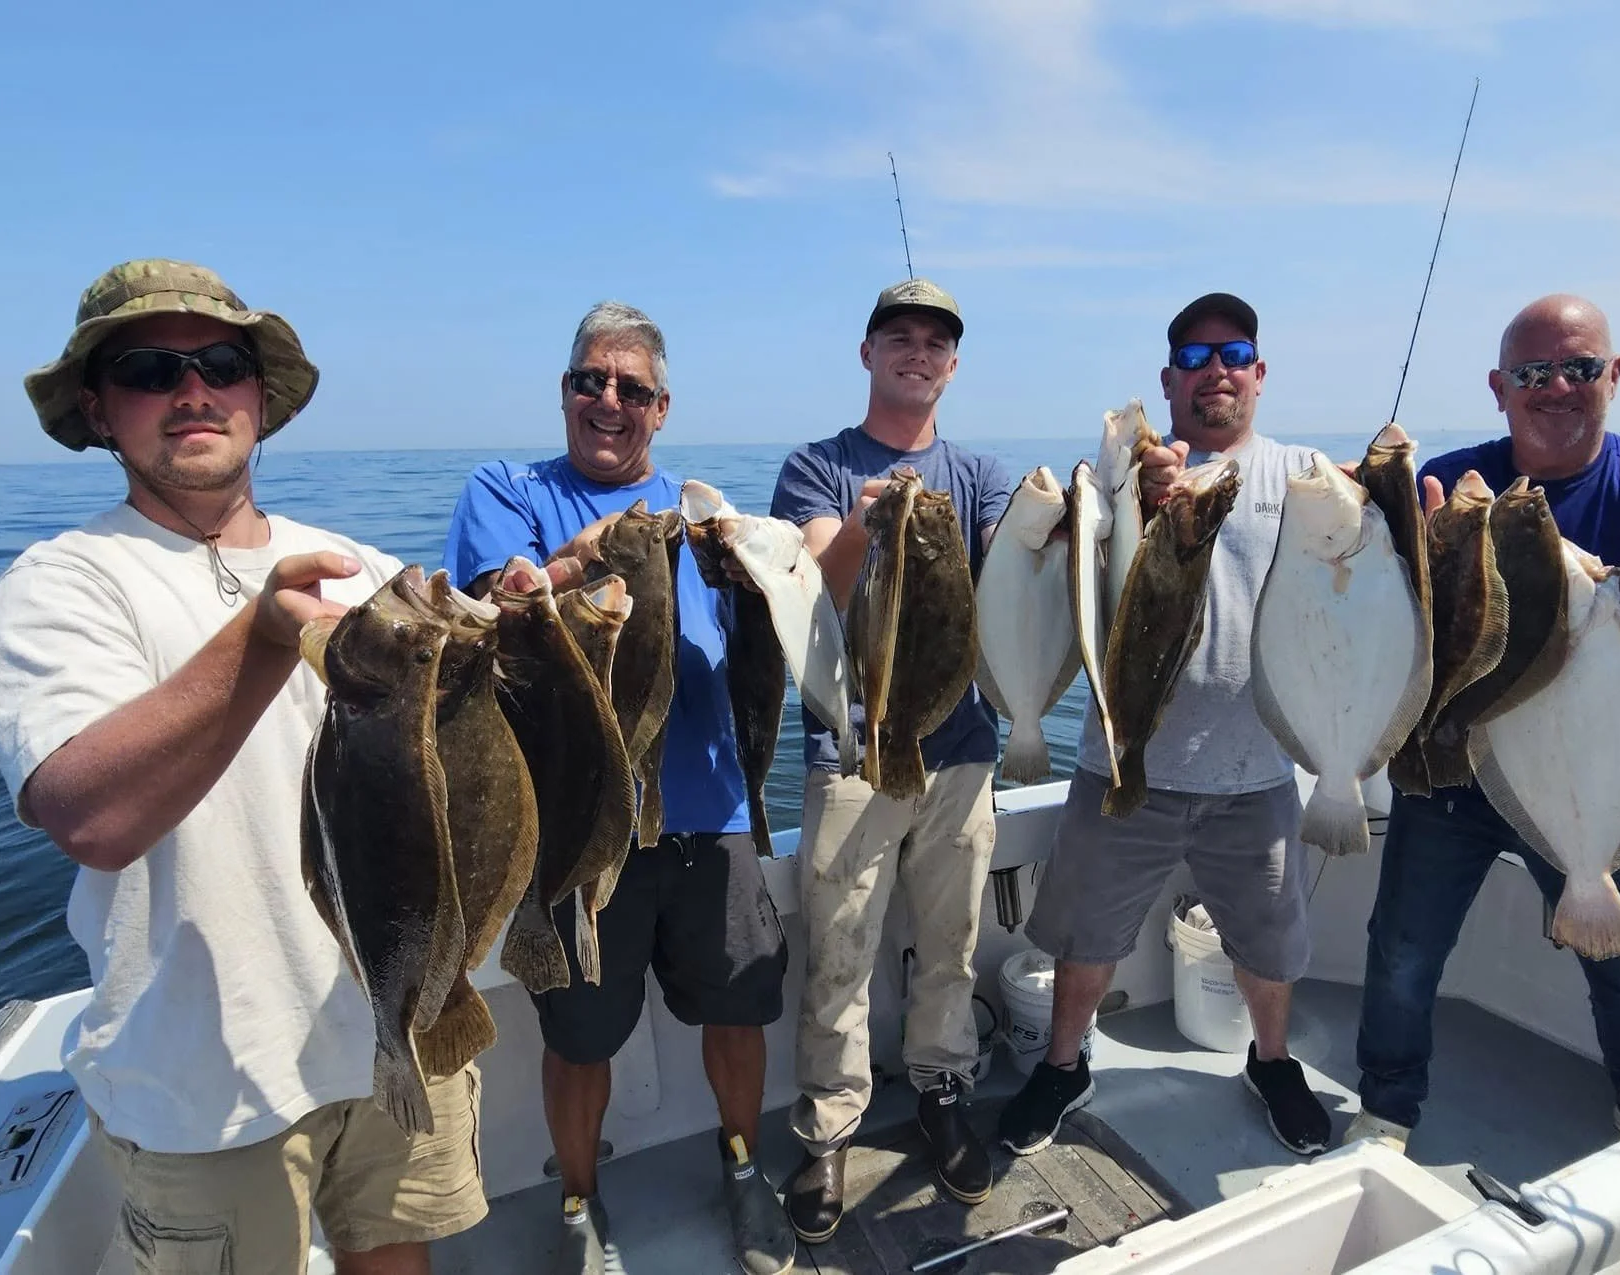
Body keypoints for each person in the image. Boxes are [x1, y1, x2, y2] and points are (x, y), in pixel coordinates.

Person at [0, 259, 485, 1275]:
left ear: (258, 393)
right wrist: (261, 640)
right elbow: (92, 819)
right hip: (201, 1083)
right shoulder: (63, 585)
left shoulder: (362, 569)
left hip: (393, 1017)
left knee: (399, 1257)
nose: (193, 390)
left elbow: (472, 763)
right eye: (148, 370)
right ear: (98, 407)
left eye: (219, 363)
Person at [1350, 293, 1620, 1149]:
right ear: (1499, 387)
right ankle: (1385, 1112)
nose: (1557, 387)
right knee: (1401, 949)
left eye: (1580, 368)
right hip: (1457, 766)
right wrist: (1373, 504)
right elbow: (1347, 563)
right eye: (1534, 372)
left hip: (1595, 773)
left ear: (1614, 375)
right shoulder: (1457, 483)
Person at [441, 300, 793, 1275]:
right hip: (579, 826)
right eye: (589, 381)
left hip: (711, 812)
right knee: (581, 1034)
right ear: (563, 392)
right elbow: (493, 606)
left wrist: (756, 565)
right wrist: (603, 550)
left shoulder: (702, 516)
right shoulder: (505, 490)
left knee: (738, 1007)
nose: (608, 400)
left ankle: (743, 1167)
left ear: (660, 408)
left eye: (631, 388)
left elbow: (770, 631)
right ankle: (577, 1203)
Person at [996, 292, 1336, 1159]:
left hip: (1257, 768)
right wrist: (1132, 495)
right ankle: (1064, 1065)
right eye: (1193, 356)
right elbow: (1059, 557)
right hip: (1121, 760)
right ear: (1169, 379)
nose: (1215, 369)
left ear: (1259, 373)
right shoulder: (1128, 475)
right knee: (1085, 935)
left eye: (1234, 353)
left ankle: (1272, 1061)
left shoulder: (1301, 473)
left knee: (1269, 942)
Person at [772, 278, 1012, 1243]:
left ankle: (944, 1090)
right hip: (856, 748)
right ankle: (830, 1124)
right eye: (899, 336)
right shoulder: (817, 467)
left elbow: (1014, 570)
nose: (919, 352)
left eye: (936, 342)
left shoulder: (981, 473)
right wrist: (866, 523)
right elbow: (817, 585)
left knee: (952, 943)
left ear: (954, 365)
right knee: (839, 953)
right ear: (867, 352)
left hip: (962, 752)